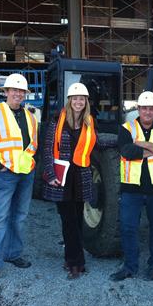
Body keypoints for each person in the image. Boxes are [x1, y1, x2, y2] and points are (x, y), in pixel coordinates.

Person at [0, 73, 38, 282]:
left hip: (25, 173)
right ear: (6, 92)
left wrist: (31, 164)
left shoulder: (30, 116)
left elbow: (33, 144)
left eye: (21, 91)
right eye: (14, 90)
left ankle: (13, 254)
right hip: (5, 174)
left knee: (19, 216)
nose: (18, 94)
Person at [110, 91, 153, 282]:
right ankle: (130, 267)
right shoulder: (126, 129)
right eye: (144, 108)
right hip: (132, 189)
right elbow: (127, 151)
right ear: (138, 109)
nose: (148, 112)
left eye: (152, 109)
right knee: (128, 228)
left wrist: (141, 144)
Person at [42, 82, 97, 279]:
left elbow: (95, 143)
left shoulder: (89, 122)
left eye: (82, 99)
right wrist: (50, 175)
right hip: (62, 178)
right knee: (69, 221)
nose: (78, 102)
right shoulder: (57, 121)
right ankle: (77, 263)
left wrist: (120, 142)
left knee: (77, 221)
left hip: (80, 178)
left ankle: (70, 258)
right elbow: (48, 149)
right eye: (75, 99)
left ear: (86, 102)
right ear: (69, 100)